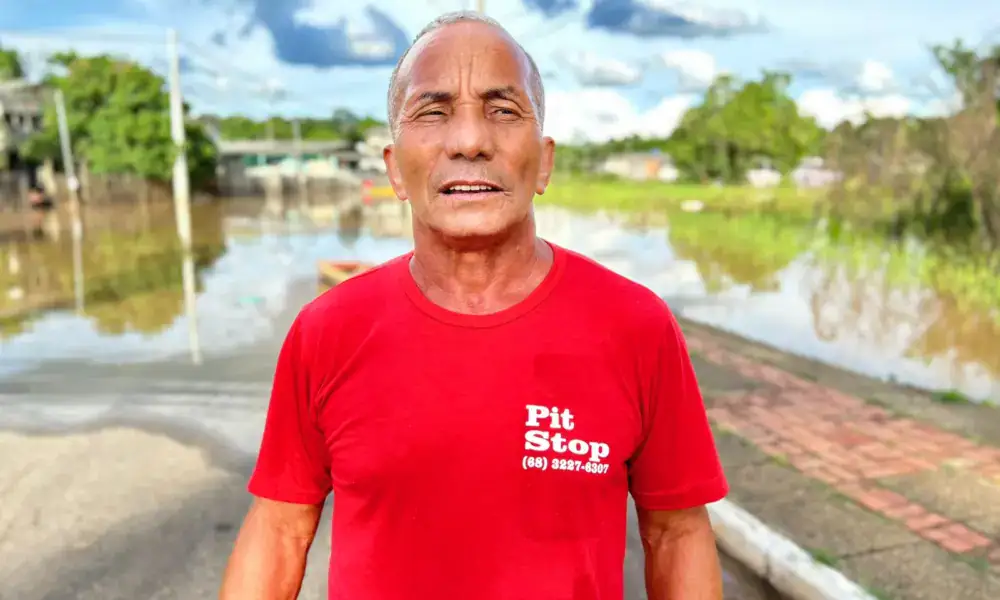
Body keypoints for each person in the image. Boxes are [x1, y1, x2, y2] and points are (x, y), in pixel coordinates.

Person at [220, 11, 728, 600]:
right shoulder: (328, 330)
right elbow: (280, 527)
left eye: (503, 110)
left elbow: (676, 533)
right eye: (433, 112)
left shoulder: (634, 325)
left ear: (544, 161)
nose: (469, 141)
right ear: (394, 169)